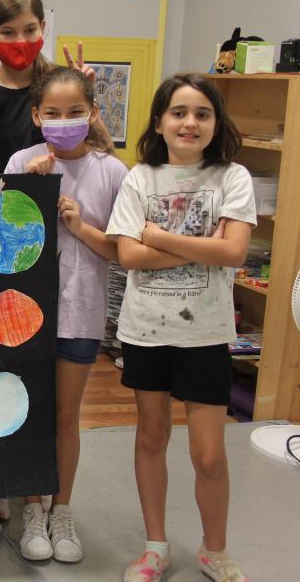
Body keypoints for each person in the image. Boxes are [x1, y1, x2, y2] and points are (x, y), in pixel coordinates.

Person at [106, 74, 253, 582]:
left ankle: (215, 550)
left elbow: (233, 252)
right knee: (151, 436)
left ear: (216, 123)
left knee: (209, 454)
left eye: (202, 114)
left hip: (205, 333)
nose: (190, 122)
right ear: (160, 121)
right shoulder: (139, 178)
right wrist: (197, 245)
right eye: (179, 112)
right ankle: (155, 546)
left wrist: (155, 236)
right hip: (146, 330)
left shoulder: (233, 178)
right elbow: (127, 255)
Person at [6, 66, 128, 563]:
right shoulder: (22, 160)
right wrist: (26, 190)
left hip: (81, 313)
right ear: (36, 116)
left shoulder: (112, 172)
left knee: (65, 415)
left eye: (75, 112)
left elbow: (121, 250)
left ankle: (63, 508)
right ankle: (31, 506)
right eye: (52, 113)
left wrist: (78, 225)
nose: (64, 121)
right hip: (24, 315)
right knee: (28, 410)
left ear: (93, 113)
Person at [0, 0, 105, 173]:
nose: (21, 41)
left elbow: (100, 150)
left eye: (29, 30)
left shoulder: (60, 85)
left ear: (42, 27)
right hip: (10, 198)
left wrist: (84, 94)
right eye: (8, 32)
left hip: (71, 194)